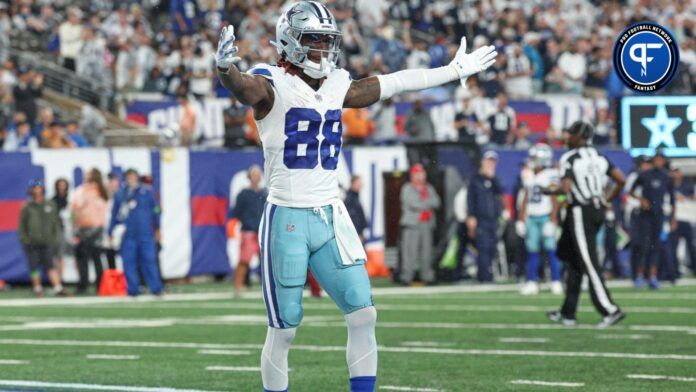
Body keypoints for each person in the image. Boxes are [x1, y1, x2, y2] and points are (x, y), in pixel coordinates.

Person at [214, 2, 497, 390]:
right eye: (313, 42)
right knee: (285, 330)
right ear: (290, 41)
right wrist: (226, 70)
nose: (322, 51)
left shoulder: (336, 84)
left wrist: (452, 71)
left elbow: (394, 81)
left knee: (364, 315)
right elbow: (244, 87)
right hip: (288, 218)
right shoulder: (270, 83)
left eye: (327, 42)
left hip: (331, 215)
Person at [546, 120, 625, 328]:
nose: (566, 137)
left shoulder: (569, 158)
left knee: (589, 262)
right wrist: (607, 200)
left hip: (580, 211)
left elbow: (566, 189)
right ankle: (567, 313)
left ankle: (610, 309)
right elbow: (620, 180)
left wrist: (550, 191)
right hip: (596, 209)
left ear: (579, 136)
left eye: (570, 134)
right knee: (574, 261)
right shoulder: (599, 156)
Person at [108, 169, 163, 297]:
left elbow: (156, 210)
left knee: (149, 261)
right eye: (128, 177)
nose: (131, 179)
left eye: (133, 176)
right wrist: (111, 231)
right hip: (128, 234)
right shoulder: (121, 194)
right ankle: (132, 289)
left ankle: (156, 288)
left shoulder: (147, 192)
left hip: (146, 233)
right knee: (129, 262)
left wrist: (158, 229)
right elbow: (114, 214)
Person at [517, 144, 562, 295]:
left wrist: (553, 219)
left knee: (551, 251)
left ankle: (556, 281)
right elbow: (525, 198)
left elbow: (555, 197)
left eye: (534, 157)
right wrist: (521, 219)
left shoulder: (551, 174)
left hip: (545, 216)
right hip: (532, 217)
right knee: (532, 251)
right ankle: (532, 281)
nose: (532, 160)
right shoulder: (529, 174)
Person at [630, 150, 676, 288]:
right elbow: (631, 190)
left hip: (659, 215)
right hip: (645, 216)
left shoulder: (667, 177)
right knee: (643, 246)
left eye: (661, 159)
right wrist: (641, 199)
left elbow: (672, 200)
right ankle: (639, 276)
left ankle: (653, 277)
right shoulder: (645, 175)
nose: (658, 161)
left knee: (656, 247)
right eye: (657, 159)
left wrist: (673, 218)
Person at [18, 180, 66, 297]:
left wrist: (54, 238)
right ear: (31, 189)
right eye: (34, 187)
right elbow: (22, 225)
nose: (37, 190)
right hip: (32, 242)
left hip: (47, 241)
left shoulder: (50, 204)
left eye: (39, 187)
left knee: (50, 266)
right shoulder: (27, 206)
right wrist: (25, 240)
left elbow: (55, 223)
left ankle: (58, 287)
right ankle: (38, 288)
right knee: (34, 267)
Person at [467, 151, 505, 282]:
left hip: (493, 219)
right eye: (488, 161)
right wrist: (471, 216)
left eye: (493, 162)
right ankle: (484, 277)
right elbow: (471, 199)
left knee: (492, 248)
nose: (491, 164)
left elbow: (500, 194)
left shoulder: (495, 180)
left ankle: (488, 275)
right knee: (482, 248)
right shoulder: (475, 179)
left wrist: (492, 178)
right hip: (481, 219)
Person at [399, 164, 440, 285]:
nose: (421, 175)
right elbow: (413, 203)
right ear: (413, 175)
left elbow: (437, 202)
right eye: (418, 173)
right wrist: (427, 204)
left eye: (422, 173)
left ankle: (426, 276)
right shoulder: (407, 188)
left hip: (426, 223)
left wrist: (424, 203)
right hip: (412, 224)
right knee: (410, 252)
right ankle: (407, 276)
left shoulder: (428, 188)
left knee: (426, 251)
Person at [230, 165, 267, 296]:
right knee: (244, 260)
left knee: (267, 262)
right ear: (249, 177)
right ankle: (238, 286)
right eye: (254, 175)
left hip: (263, 232)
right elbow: (236, 212)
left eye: (258, 175)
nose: (257, 178)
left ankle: (268, 287)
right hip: (249, 232)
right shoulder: (244, 194)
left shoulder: (265, 193)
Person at [70, 168, 109, 294]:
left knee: (86, 259)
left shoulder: (84, 191)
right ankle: (98, 285)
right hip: (96, 228)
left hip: (88, 228)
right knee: (94, 259)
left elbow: (74, 209)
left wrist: (74, 226)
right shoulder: (101, 191)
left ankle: (84, 285)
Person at [670, 168, 696, 275]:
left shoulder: (687, 185)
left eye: (677, 171)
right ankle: (674, 270)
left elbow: (693, 198)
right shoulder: (668, 184)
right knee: (673, 246)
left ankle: (694, 268)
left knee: (691, 245)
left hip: (687, 219)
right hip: (674, 219)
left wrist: (685, 198)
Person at [51, 178, 70, 279]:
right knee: (58, 256)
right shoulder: (53, 201)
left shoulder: (71, 199)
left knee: (77, 255)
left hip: (72, 230)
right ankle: (59, 279)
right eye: (60, 185)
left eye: (64, 185)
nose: (62, 187)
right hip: (59, 231)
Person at [344, 175, 368, 243]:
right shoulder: (350, 199)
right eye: (359, 183)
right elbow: (353, 218)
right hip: (355, 235)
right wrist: (358, 234)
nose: (361, 185)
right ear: (353, 183)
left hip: (358, 233)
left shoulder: (355, 197)